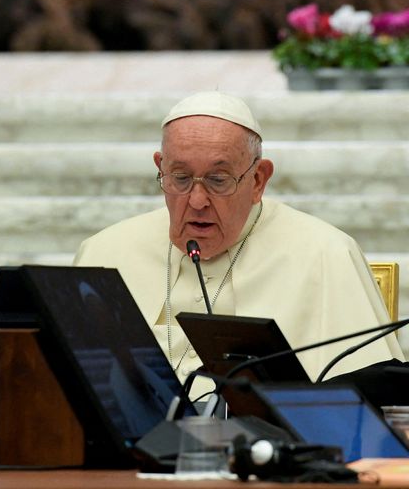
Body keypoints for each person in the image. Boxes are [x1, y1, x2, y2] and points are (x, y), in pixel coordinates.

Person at [74, 91, 405, 397]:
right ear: (161, 168)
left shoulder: (326, 254)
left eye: (219, 180)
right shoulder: (105, 252)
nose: (198, 200)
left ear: (258, 179)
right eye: (181, 178)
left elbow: (373, 404)